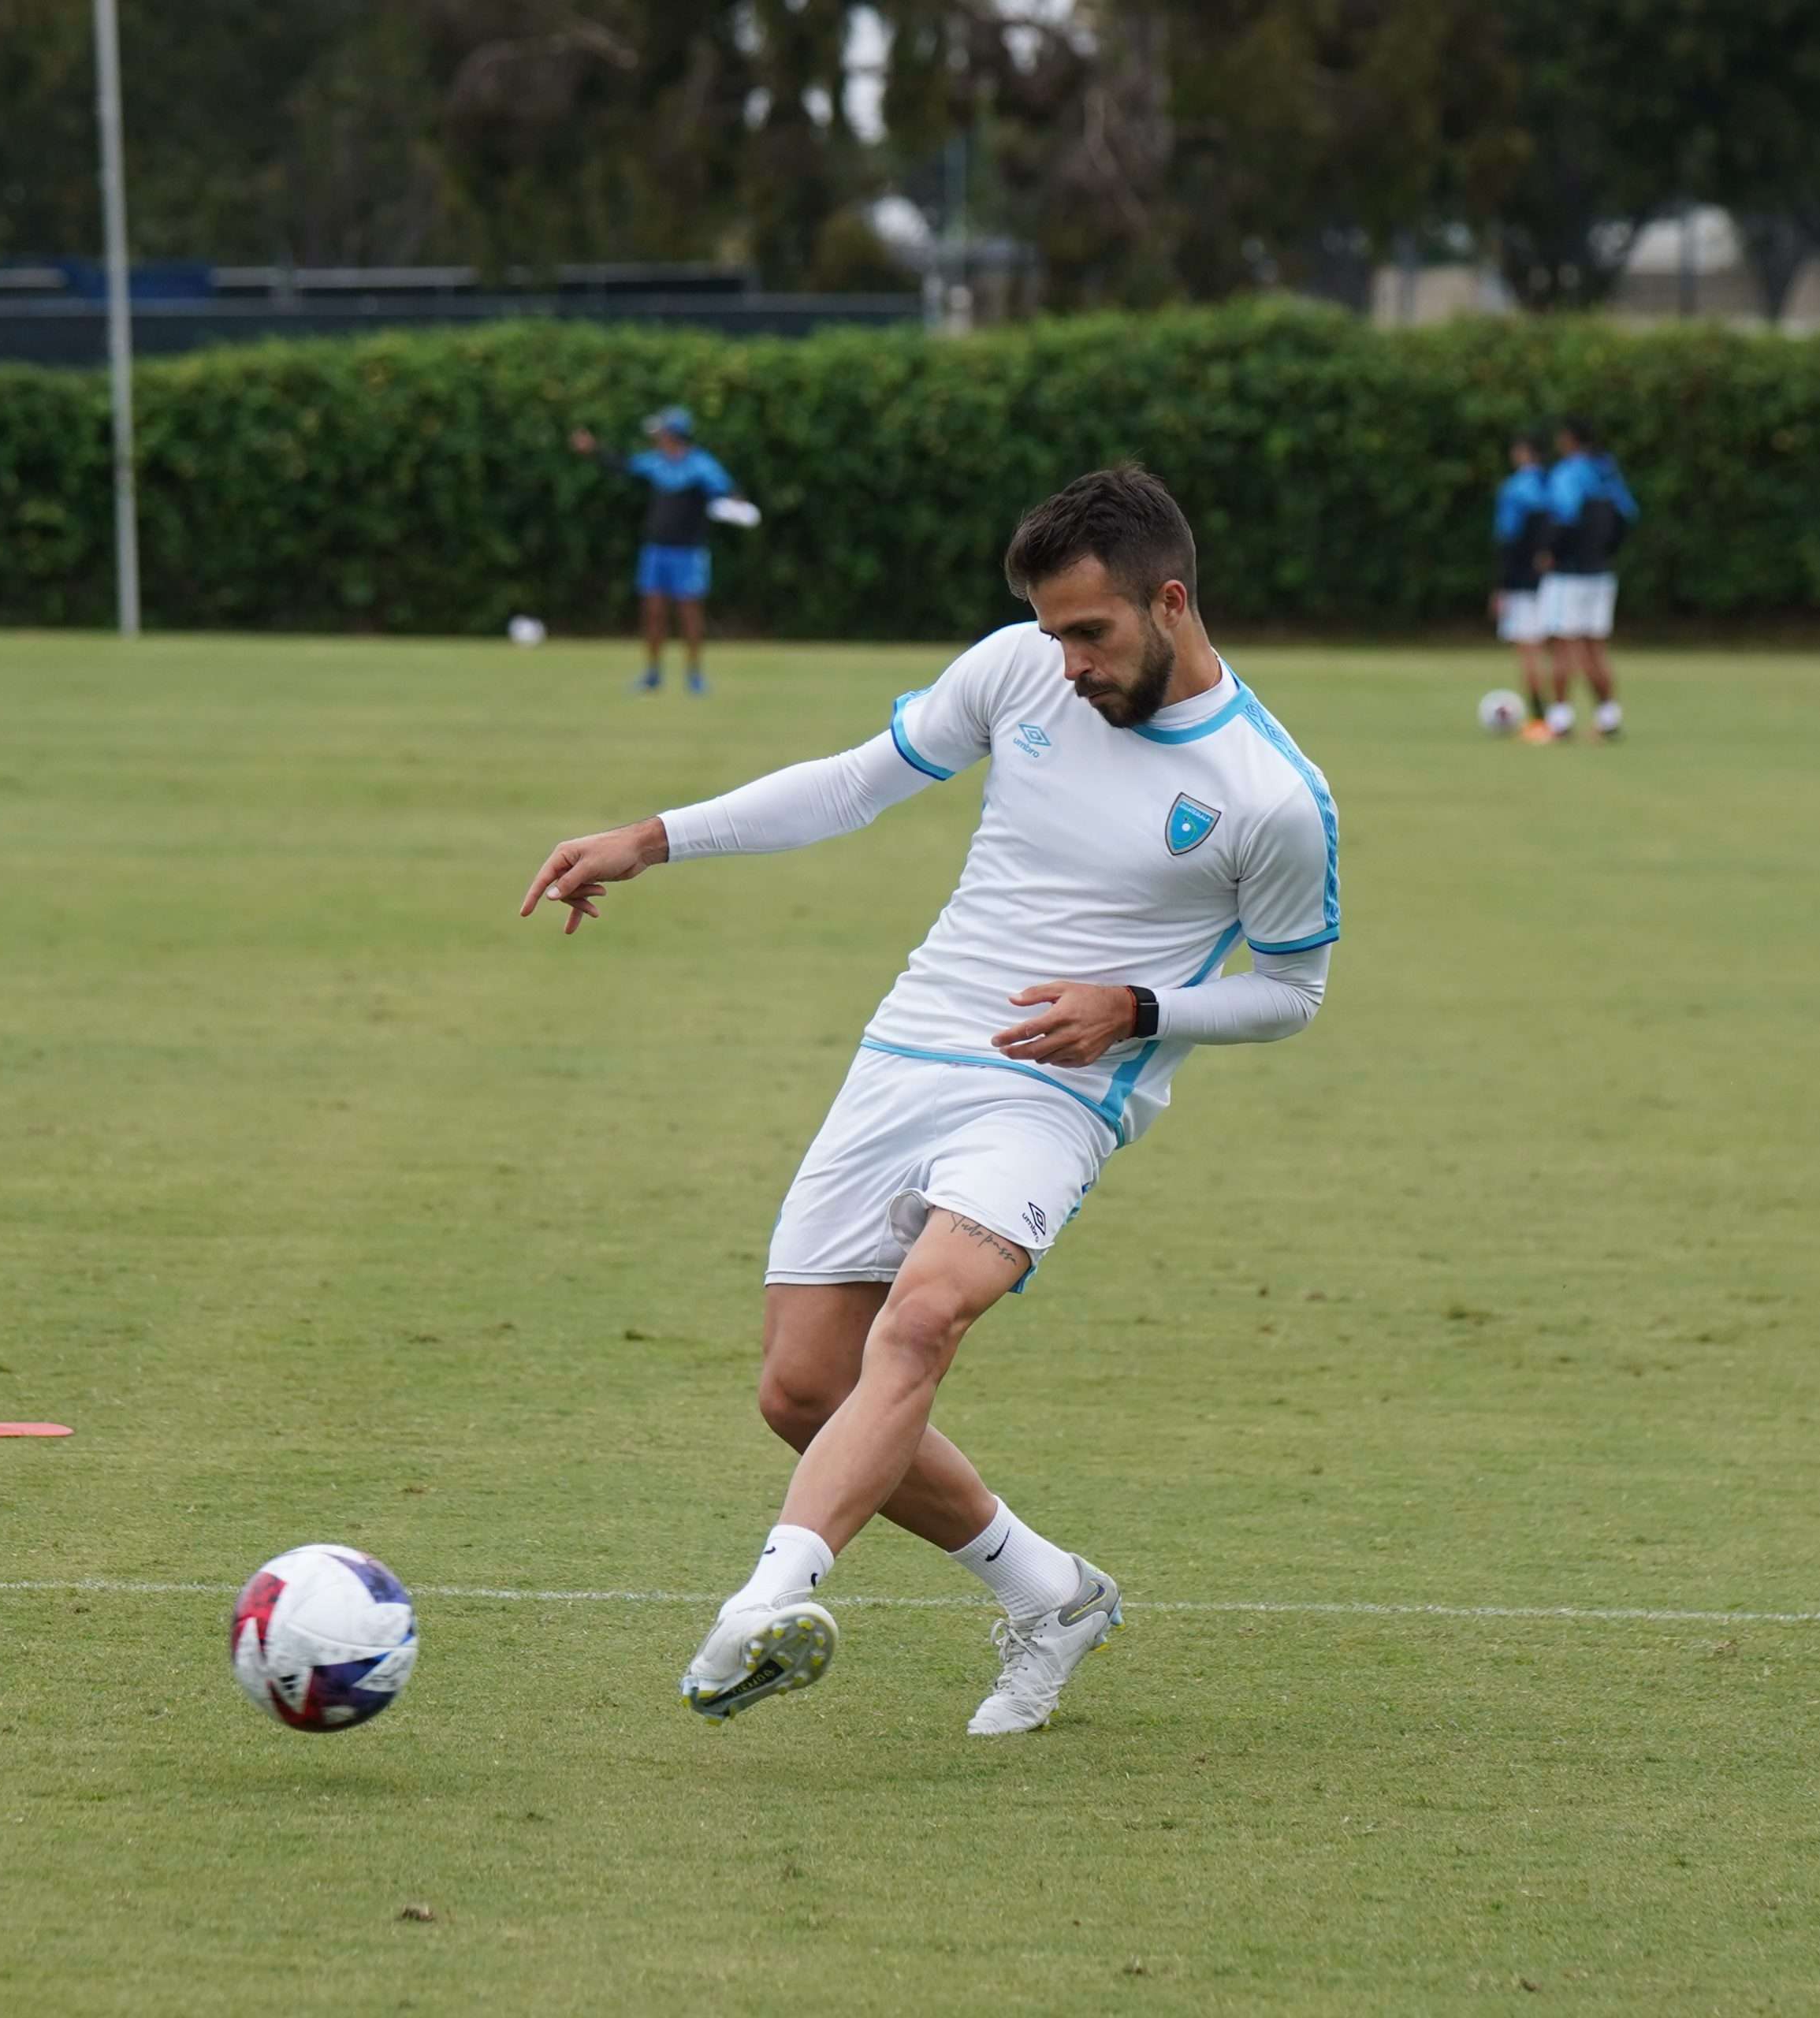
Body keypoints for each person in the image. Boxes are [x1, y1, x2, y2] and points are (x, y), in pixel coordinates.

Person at [517, 466, 1339, 1735]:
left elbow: (1293, 992)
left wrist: (1139, 1009)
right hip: (911, 1050)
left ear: (1171, 603)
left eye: (1090, 633)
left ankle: (767, 1600)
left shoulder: (1272, 797)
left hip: (1058, 1096)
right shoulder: (1015, 670)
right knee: (800, 1391)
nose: (1063, 661)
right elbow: (855, 783)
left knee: (921, 1322)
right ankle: (1053, 1593)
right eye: (1051, 629)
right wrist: (651, 837)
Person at [568, 405, 734, 694]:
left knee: (689, 614)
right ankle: (653, 674)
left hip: (689, 552)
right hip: (656, 551)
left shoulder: (700, 465)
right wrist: (594, 449)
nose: (657, 437)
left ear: (674, 434)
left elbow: (727, 492)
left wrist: (737, 507)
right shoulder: (656, 463)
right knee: (653, 612)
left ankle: (694, 676)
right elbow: (623, 464)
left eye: (661, 432)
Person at [1538, 417, 1639, 742]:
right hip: (1601, 573)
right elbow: (1628, 517)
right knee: (1595, 647)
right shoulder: (1607, 472)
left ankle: (1560, 720)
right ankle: (1608, 717)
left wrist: (1550, 552)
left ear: (1569, 440)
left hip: (1569, 575)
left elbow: (1564, 518)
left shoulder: (1568, 472)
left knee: (1564, 646)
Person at [1491, 431, 1555, 743]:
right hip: (1557, 579)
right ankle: (1560, 714)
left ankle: (1540, 718)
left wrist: (1502, 585)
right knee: (1554, 646)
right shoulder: (1555, 484)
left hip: (1523, 581)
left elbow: (1509, 538)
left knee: (1527, 648)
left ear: (1522, 453)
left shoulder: (1516, 488)